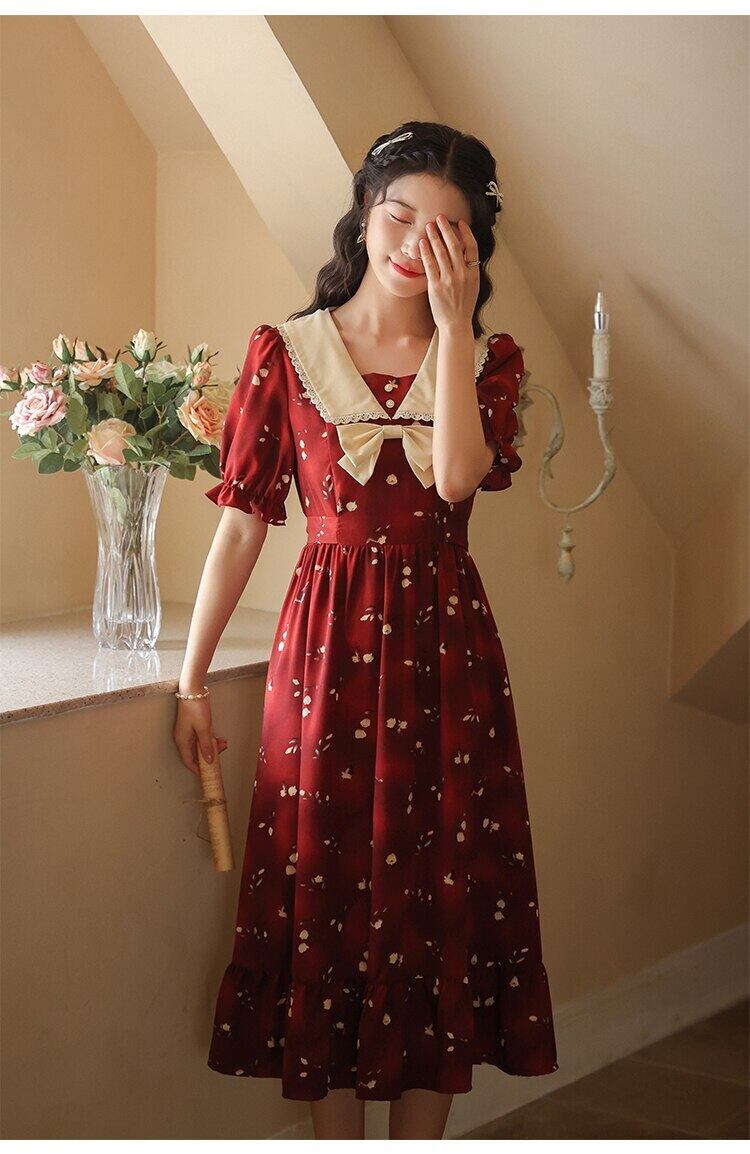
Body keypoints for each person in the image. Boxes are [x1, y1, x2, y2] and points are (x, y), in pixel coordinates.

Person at [173, 120, 558, 1140]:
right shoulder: (287, 351)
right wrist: (191, 680)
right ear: (362, 213)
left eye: (447, 231)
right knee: (322, 901)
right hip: (324, 658)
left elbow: (456, 479)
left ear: (473, 247)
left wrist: (453, 324)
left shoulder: (486, 360)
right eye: (398, 216)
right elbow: (241, 528)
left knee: (439, 902)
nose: (415, 243)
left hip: (446, 659)